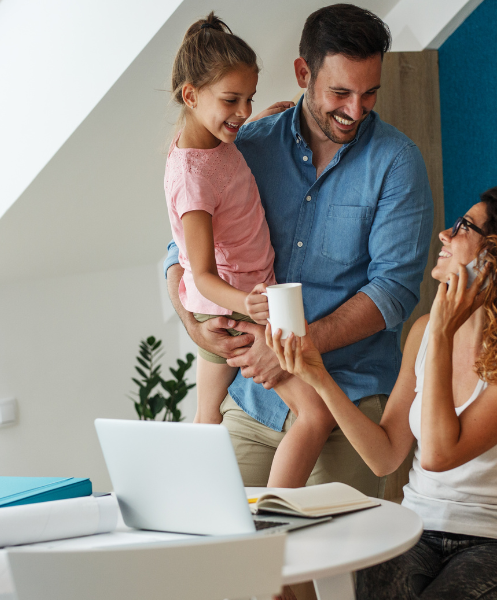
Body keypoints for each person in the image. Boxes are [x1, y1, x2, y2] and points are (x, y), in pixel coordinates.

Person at [164, 3, 433, 496]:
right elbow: (180, 250)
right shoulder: (246, 144)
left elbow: (394, 292)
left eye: (369, 93)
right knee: (212, 526)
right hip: (254, 398)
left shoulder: (397, 163)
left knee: (318, 541)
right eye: (340, 92)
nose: (356, 110)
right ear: (303, 73)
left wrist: (294, 348)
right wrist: (195, 327)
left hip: (347, 396)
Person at [267, 185, 497, 600]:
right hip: (416, 530)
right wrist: (318, 376)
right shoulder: (423, 333)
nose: (445, 234)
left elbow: (438, 455)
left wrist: (442, 331)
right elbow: (385, 457)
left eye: (464, 227)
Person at [163, 13, 337, 488]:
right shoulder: (192, 181)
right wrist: (248, 305)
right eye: (231, 100)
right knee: (314, 415)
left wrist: (252, 123)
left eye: (249, 99)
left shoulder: (210, 142)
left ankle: (195, 505)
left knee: (207, 419)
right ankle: (274, 516)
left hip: (236, 298)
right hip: (231, 305)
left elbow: (221, 167)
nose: (242, 110)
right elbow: (199, 273)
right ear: (191, 96)